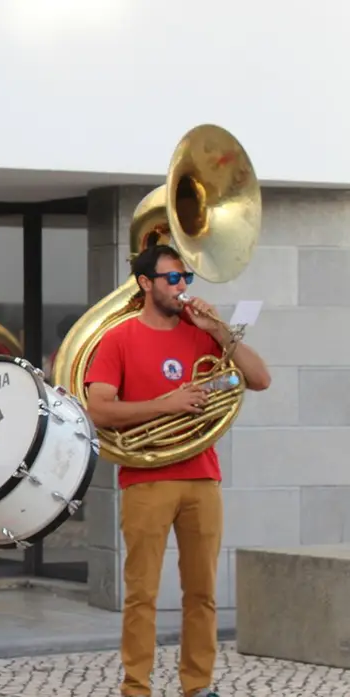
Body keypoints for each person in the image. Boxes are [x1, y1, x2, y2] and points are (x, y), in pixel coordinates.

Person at [84, 242, 271, 697]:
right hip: (146, 480)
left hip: (202, 477)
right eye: (172, 278)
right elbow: (99, 410)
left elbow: (260, 379)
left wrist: (221, 332)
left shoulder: (202, 332)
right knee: (142, 595)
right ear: (146, 283)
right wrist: (164, 404)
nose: (182, 286)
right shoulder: (120, 338)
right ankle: (136, 687)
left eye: (186, 277)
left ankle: (198, 686)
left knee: (202, 594)